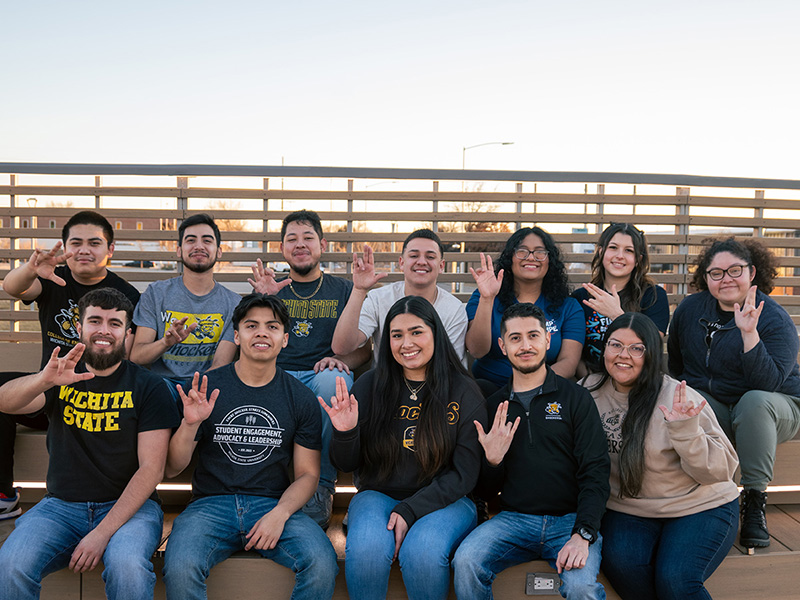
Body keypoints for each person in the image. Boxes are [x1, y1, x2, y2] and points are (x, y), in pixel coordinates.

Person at [0, 287, 179, 600]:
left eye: (114, 323)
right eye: (95, 321)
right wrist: (44, 380)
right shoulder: (61, 376)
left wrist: (101, 533)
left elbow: (152, 469)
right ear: (80, 327)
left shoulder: (149, 387)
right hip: (60, 507)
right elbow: (5, 402)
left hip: (130, 509)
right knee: (11, 563)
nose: (104, 331)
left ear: (128, 333)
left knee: (127, 566)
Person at [162, 293, 338, 600]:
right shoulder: (205, 387)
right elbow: (173, 466)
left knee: (322, 562)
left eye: (272, 327)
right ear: (236, 335)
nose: (261, 333)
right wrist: (190, 423)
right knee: (180, 566)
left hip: (271, 503)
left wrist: (280, 513)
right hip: (209, 505)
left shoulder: (300, 397)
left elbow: (308, 474)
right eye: (251, 325)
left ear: (285, 338)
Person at [325, 296, 486, 600]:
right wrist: (345, 432)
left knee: (422, 553)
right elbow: (346, 464)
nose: (406, 343)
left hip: (447, 500)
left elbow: (465, 475)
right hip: (378, 495)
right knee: (368, 552)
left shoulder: (464, 391)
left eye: (416, 332)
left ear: (435, 334)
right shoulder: (371, 385)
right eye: (396, 335)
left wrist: (410, 510)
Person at [453, 303, 610, 600]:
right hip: (514, 520)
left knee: (581, 588)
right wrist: (493, 461)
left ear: (548, 341)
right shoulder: (494, 407)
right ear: (502, 346)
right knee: (466, 561)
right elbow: (485, 491)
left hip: (570, 521)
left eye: (533, 336)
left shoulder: (575, 398)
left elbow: (596, 471)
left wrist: (583, 533)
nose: (525, 345)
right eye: (515, 338)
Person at [585, 312, 739, 600]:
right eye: (615, 345)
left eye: (637, 348)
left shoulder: (679, 397)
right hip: (630, 509)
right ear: (604, 348)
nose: (624, 355)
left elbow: (720, 470)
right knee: (623, 567)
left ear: (652, 353)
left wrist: (686, 431)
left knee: (676, 581)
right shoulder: (589, 392)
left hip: (699, 505)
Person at [1, 210, 141, 520]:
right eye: (75, 242)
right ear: (65, 247)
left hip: (96, 399)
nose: (84, 250)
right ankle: (3, 494)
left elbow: (128, 355)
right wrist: (31, 269)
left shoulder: (127, 295)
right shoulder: (53, 278)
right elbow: (13, 288)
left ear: (110, 249)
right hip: (50, 390)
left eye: (94, 242)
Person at [668, 237, 800, 549]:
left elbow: (766, 384)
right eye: (716, 273)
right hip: (723, 406)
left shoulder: (773, 319)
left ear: (752, 272)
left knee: (753, 403)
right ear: (707, 277)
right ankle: (695, 499)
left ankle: (754, 500)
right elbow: (678, 365)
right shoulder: (690, 309)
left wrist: (748, 333)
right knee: (684, 398)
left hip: (778, 405)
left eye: (735, 270)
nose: (726, 278)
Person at [248, 209, 367, 528]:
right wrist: (260, 300)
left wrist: (343, 361)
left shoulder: (343, 290)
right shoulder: (270, 288)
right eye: (292, 239)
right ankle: (263, 488)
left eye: (308, 238)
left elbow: (364, 348)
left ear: (322, 245)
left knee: (335, 381)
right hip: (277, 374)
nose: (300, 244)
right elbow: (244, 340)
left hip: (320, 377)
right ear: (282, 248)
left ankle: (320, 489)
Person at [466, 226, 585, 393]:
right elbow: (476, 350)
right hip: (487, 391)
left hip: (542, 393)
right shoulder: (484, 296)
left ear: (550, 260)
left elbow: (568, 363)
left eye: (540, 252)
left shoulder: (569, 307)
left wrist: (529, 387)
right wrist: (487, 298)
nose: (531, 258)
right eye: (522, 251)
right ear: (510, 257)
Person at [331, 228, 468, 366]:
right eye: (414, 256)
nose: (421, 262)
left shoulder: (454, 309)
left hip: (436, 384)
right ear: (401, 263)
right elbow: (342, 347)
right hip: (386, 382)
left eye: (430, 257)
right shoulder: (379, 299)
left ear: (441, 265)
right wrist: (359, 290)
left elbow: (450, 365)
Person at [131, 213, 240, 383]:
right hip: (162, 387)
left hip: (207, 386)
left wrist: (192, 394)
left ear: (219, 251)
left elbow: (220, 365)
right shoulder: (156, 293)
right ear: (179, 251)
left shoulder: (233, 303)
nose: (198, 246)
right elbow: (137, 356)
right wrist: (166, 342)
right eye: (190, 240)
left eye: (207, 240)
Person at [571, 222, 669, 375]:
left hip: (638, 382)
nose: (620, 256)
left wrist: (617, 315)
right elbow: (574, 354)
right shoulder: (581, 297)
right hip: (591, 383)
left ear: (638, 259)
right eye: (613, 247)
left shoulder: (653, 296)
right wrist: (591, 386)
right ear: (601, 252)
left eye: (629, 250)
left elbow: (652, 347)